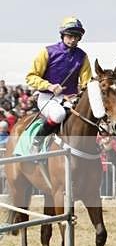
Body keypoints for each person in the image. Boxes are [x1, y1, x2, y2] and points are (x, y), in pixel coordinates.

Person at [26, 17, 92, 152]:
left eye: (77, 36)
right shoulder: (47, 52)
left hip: (70, 99)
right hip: (47, 97)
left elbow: (87, 82)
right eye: (70, 35)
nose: (73, 39)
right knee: (58, 115)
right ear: (63, 35)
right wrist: (49, 86)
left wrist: (82, 92)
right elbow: (30, 77)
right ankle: (37, 142)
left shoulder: (83, 57)